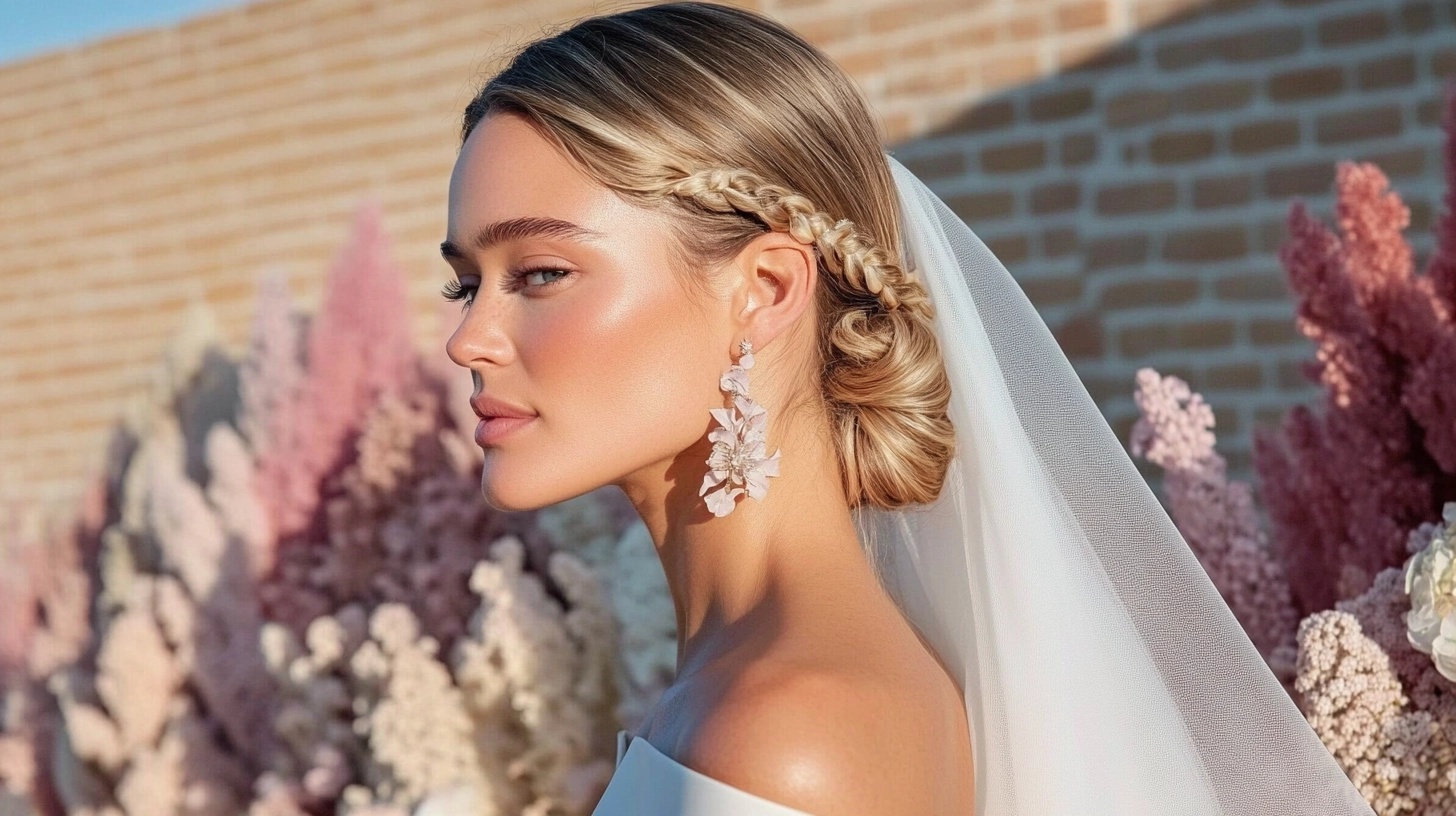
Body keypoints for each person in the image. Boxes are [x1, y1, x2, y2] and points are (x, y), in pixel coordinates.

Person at [442, 3, 1377, 814]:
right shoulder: (741, 685)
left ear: (766, 289)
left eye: (540, 273)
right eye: (466, 284)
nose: (469, 339)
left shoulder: (789, 732)